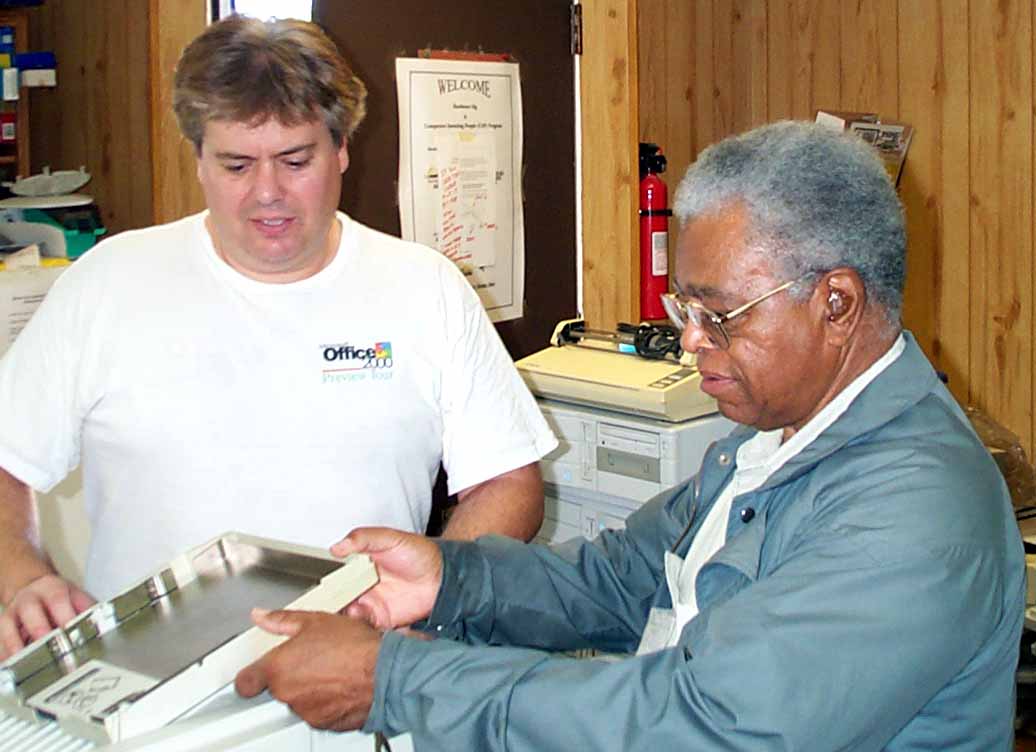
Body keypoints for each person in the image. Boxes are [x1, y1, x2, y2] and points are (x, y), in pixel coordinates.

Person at [235, 121, 1026, 750]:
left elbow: (710, 726)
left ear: (838, 304)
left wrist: (398, 681)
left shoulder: (915, 512)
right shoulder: (774, 442)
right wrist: (449, 580)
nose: (690, 342)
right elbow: (620, 579)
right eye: (688, 310)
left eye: (719, 315)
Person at [0, 15, 557, 659]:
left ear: (342, 147)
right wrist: (22, 576)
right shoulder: (108, 283)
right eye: (236, 164)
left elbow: (507, 483)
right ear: (199, 160)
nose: (267, 193)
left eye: (295, 161)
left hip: (355, 672)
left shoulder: (424, 289)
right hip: (148, 689)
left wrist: (431, 598)